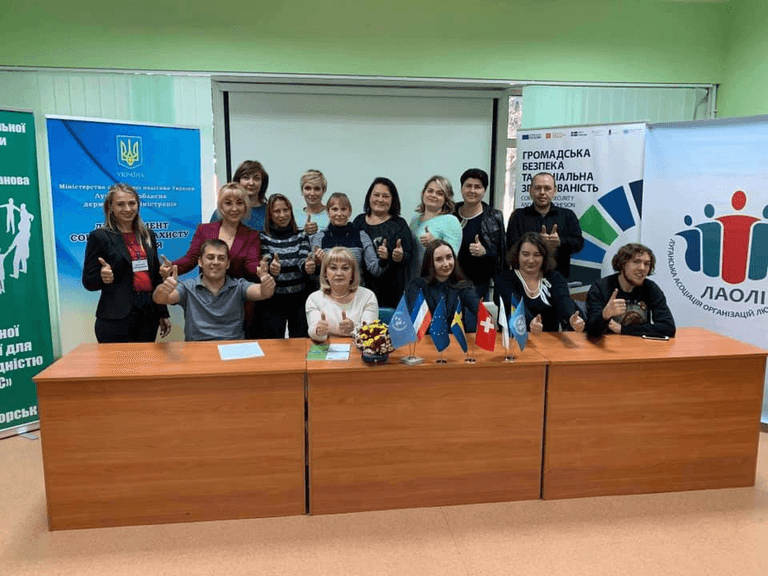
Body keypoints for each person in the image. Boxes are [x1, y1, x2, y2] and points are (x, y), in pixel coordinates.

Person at [168, 183, 263, 337]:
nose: (234, 209)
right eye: (228, 203)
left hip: (237, 303)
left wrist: (263, 270)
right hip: (205, 300)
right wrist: (170, 267)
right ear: (220, 206)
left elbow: (252, 264)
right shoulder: (204, 230)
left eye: (239, 203)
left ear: (245, 206)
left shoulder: (252, 235)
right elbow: (191, 259)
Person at [82, 183, 171, 343]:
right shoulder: (100, 237)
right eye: (120, 204)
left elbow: (155, 278)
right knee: (117, 368)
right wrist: (103, 277)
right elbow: (89, 282)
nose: (128, 209)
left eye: (132, 203)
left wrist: (162, 312)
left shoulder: (147, 235)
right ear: (110, 207)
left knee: (145, 366)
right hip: (115, 318)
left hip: (147, 315)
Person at [153, 239, 275, 341]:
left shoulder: (239, 286)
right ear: (200, 261)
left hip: (234, 348)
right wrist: (164, 289)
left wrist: (266, 283)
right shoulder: (187, 287)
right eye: (210, 257)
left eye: (221, 258)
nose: (215, 262)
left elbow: (262, 292)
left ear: (227, 264)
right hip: (197, 349)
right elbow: (161, 298)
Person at [495, 232, 584, 334]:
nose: (531, 260)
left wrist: (571, 318)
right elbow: (511, 303)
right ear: (517, 255)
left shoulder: (555, 278)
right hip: (513, 341)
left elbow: (563, 300)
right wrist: (530, 322)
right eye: (525, 254)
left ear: (544, 257)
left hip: (548, 342)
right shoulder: (504, 279)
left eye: (537, 255)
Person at [585, 243, 676, 338]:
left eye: (646, 264)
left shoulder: (651, 288)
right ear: (622, 264)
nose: (642, 268)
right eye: (636, 261)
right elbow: (591, 330)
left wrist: (623, 329)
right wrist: (604, 315)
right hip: (609, 347)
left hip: (640, 347)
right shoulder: (601, 287)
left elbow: (668, 328)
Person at [506, 172, 584, 279]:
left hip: (558, 277)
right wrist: (536, 242)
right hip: (524, 278)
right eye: (538, 188)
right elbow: (511, 245)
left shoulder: (567, 215)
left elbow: (579, 243)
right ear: (530, 191)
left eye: (547, 188)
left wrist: (559, 242)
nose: (542, 192)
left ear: (554, 191)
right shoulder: (518, 216)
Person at [454, 168, 506, 330]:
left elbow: (502, 255)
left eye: (478, 187)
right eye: (468, 186)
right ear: (461, 188)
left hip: (478, 285)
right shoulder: (450, 212)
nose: (472, 190)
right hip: (450, 283)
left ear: (484, 191)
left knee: (473, 330)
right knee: (451, 328)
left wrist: (484, 252)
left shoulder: (494, 216)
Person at [352, 177, 413, 308]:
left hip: (391, 291)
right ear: (369, 197)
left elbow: (409, 255)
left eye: (385, 196)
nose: (380, 199)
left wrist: (397, 256)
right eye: (376, 195)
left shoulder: (399, 224)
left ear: (393, 200)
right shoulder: (358, 221)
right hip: (360, 289)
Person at [260, 194, 315, 338]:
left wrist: (307, 267)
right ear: (270, 215)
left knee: (300, 341)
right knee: (274, 344)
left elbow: (303, 260)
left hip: (299, 299)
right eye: (277, 211)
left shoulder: (301, 235)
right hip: (273, 300)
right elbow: (265, 261)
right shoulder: (263, 238)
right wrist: (272, 270)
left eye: (286, 210)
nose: (282, 215)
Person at [405, 240, 480, 332]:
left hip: (456, 341)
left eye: (449, 257)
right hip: (427, 340)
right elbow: (415, 320)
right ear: (430, 263)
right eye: (439, 259)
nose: (446, 264)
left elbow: (479, 311)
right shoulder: (417, 286)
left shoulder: (463, 285)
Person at [306, 247, 378, 341]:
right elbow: (313, 330)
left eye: (345, 268)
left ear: (352, 273)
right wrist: (318, 331)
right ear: (325, 273)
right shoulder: (314, 299)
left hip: (358, 347)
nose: (339, 273)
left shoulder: (367, 296)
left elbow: (370, 333)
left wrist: (354, 328)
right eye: (333, 268)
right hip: (326, 347)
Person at [311, 192, 386, 283]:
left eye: (343, 209)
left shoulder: (361, 235)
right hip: (328, 292)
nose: (339, 213)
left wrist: (384, 259)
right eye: (334, 209)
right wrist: (319, 264)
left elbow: (375, 270)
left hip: (357, 292)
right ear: (328, 212)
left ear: (349, 212)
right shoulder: (319, 238)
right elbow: (313, 275)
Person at [409, 175, 462, 282]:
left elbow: (452, 256)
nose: (433, 195)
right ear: (424, 193)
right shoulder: (414, 220)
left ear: (446, 199)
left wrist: (435, 243)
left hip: (436, 282)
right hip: (414, 280)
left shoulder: (450, 221)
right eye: (430, 191)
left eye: (439, 193)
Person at [209, 160, 269, 232]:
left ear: (263, 183)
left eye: (256, 178)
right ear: (238, 181)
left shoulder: (270, 212)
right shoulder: (223, 212)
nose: (251, 183)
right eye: (246, 178)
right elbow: (211, 240)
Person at [300, 169, 330, 244]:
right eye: (308, 188)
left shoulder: (333, 215)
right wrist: (303, 233)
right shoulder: (293, 216)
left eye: (317, 189)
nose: (312, 193)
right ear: (302, 191)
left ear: (324, 191)